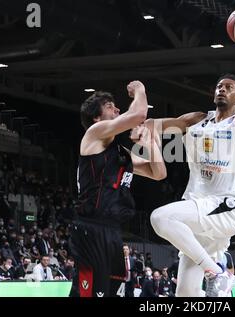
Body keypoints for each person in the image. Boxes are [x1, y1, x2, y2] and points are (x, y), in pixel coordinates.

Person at [149, 22, 235, 297]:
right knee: (186, 296)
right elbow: (155, 125)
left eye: (228, 87)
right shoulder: (196, 120)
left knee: (159, 218)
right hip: (199, 210)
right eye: (218, 86)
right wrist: (134, 126)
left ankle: (218, 273)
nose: (221, 89)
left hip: (226, 207)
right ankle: (217, 280)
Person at [70, 81, 167, 298]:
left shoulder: (121, 152)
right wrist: (140, 89)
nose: (116, 109)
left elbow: (158, 173)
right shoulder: (93, 135)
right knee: (88, 294)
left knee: (112, 292)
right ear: (96, 117)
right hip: (91, 228)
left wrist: (150, 143)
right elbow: (139, 114)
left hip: (112, 230)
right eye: (110, 106)